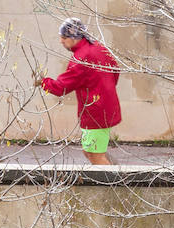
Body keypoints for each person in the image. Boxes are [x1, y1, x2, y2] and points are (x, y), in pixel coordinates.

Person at [34, 19, 121, 165]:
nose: (61, 41)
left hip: (95, 113)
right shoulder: (99, 47)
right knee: (90, 151)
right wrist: (106, 90)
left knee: (95, 155)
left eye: (64, 37)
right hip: (106, 107)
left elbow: (61, 88)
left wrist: (42, 82)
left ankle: (114, 184)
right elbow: (116, 69)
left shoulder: (81, 58)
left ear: (74, 38)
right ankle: (117, 172)